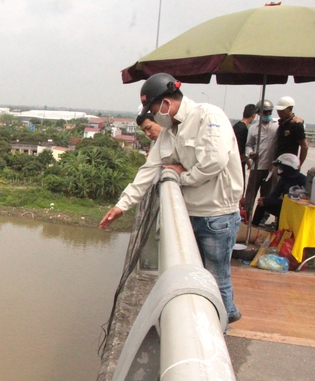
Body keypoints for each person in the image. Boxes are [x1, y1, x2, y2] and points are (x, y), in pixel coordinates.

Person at [99, 73, 243, 325]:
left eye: (154, 110)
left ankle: (220, 328)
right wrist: (122, 205)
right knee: (197, 276)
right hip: (190, 214)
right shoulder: (170, 131)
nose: (155, 117)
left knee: (217, 277)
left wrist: (182, 177)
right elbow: (149, 169)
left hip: (216, 215)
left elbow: (215, 161)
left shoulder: (207, 116)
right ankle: (220, 315)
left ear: (166, 102)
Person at [251, 153, 306, 229]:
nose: (279, 169)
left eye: (281, 167)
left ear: (287, 168)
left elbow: (297, 202)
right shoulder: (283, 179)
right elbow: (274, 195)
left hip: (296, 210)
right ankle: (253, 228)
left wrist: (269, 201)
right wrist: (265, 200)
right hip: (284, 206)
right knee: (262, 203)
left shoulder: (303, 180)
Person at [243, 100, 277, 212]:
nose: (267, 114)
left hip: (270, 168)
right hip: (257, 165)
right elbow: (248, 145)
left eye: (269, 112)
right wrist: (251, 153)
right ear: (258, 113)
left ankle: (261, 217)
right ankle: (246, 213)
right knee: (251, 193)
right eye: (265, 112)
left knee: (267, 195)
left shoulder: (276, 126)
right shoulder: (254, 128)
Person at [274, 96, 308, 168]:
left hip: (289, 164)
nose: (279, 113)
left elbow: (304, 146)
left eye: (282, 111)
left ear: (289, 109)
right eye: (278, 111)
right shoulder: (282, 123)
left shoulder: (296, 125)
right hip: (278, 162)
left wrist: (299, 164)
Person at [232, 103, 257, 187]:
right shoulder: (243, 129)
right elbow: (240, 148)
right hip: (238, 162)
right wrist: (247, 161)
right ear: (253, 116)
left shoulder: (236, 126)